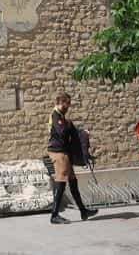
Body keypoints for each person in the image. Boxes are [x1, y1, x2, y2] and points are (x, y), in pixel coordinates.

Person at [47, 92, 98, 224]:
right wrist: (69, 124)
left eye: (69, 104)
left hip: (64, 152)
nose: (68, 107)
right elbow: (62, 131)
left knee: (73, 182)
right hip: (58, 153)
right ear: (60, 102)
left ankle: (83, 211)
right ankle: (54, 215)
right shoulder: (56, 115)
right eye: (66, 104)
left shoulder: (62, 116)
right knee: (61, 182)